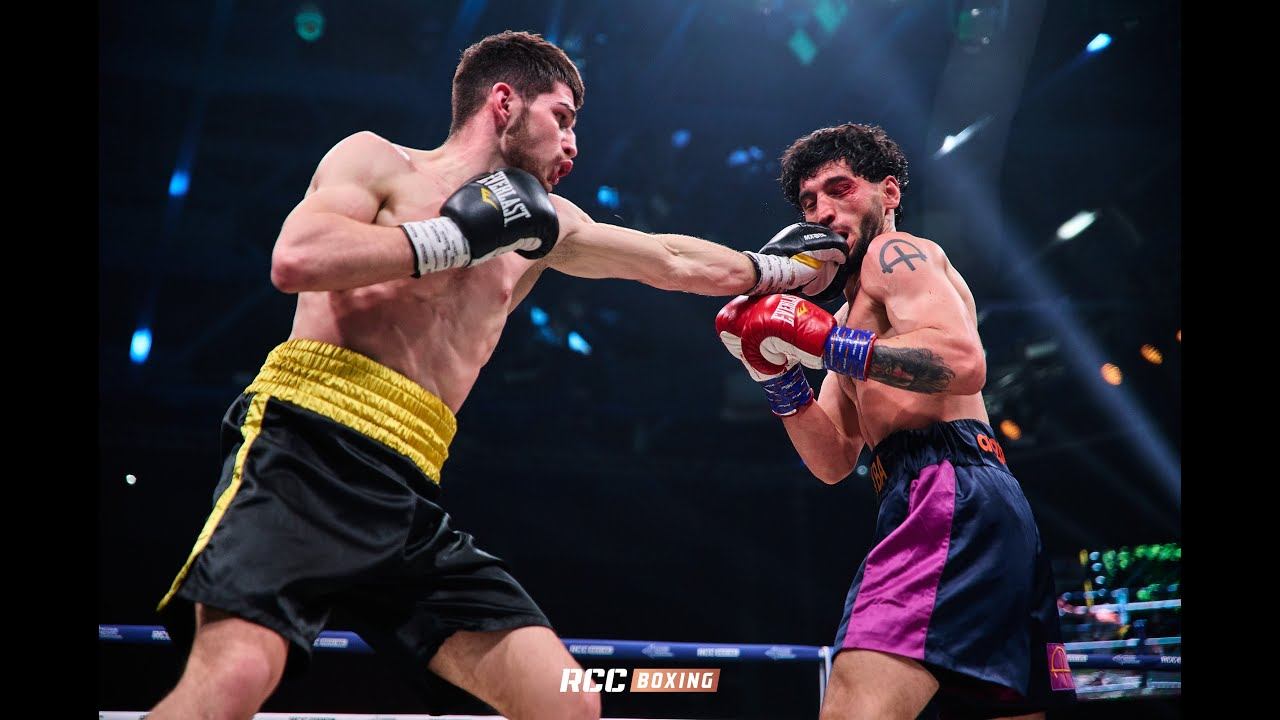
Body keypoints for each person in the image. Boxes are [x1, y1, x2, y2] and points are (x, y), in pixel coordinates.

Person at [149, 30, 849, 720]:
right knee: (235, 681)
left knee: (567, 703)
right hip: (306, 448)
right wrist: (454, 238)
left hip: (407, 489)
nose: (574, 144)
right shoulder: (378, 161)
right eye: (562, 118)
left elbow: (667, 259)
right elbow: (297, 258)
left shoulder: (546, 228)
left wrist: (782, 271)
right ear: (505, 102)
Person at [716, 123, 1077, 719]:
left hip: (947, 490)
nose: (823, 212)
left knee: (853, 708)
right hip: (951, 496)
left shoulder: (897, 254)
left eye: (840, 189)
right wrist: (773, 374)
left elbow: (963, 362)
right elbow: (833, 459)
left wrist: (827, 344)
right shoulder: (847, 320)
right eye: (809, 201)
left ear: (888, 193)